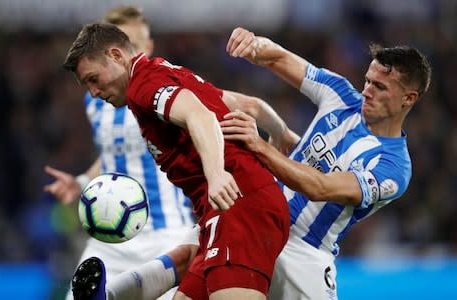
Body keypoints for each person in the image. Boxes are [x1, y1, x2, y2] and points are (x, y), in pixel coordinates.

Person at [63, 23, 290, 300]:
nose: (94, 92)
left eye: (93, 79)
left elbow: (200, 116)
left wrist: (217, 174)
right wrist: (282, 133)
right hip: (225, 210)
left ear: (116, 56)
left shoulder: (143, 86)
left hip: (239, 206)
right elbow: (249, 105)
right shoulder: (164, 72)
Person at [221, 27, 432, 299]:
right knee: (187, 262)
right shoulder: (340, 94)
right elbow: (278, 58)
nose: (367, 91)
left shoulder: (393, 168)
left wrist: (258, 145)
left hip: (304, 254)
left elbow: (319, 187)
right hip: (257, 218)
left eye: (379, 87)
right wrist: (253, 45)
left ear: (409, 98)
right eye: (367, 81)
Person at [43, 7, 195, 300]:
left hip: (165, 234)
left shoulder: (165, 91)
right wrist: (80, 180)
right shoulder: (97, 100)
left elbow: (212, 113)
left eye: (135, 45)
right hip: (109, 235)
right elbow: (111, 154)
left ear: (145, 48)